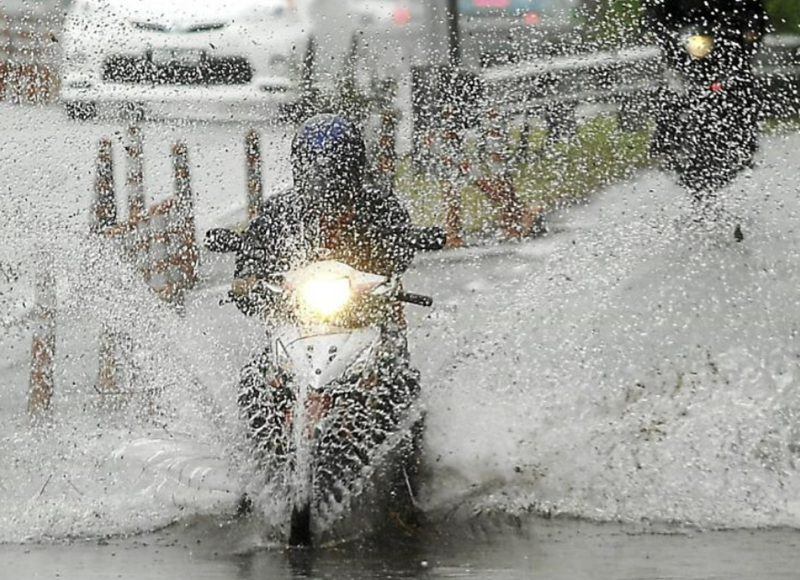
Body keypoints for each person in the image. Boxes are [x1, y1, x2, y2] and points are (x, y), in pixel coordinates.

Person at [231, 114, 420, 462]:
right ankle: (256, 466)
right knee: (256, 381)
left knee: (400, 380)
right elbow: (248, 266)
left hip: (367, 322)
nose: (325, 178)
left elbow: (401, 251)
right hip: (296, 324)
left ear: (353, 166)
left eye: (335, 167)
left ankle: (406, 478)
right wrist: (249, 285)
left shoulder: (381, 208)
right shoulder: (279, 213)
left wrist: (407, 248)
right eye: (316, 167)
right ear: (299, 166)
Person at [642, 0, 770, 157]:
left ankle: (747, 135)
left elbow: (753, 10)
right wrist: (654, 28)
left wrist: (751, 29)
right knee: (669, 86)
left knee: (743, 81)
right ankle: (663, 136)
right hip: (685, 38)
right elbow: (655, 9)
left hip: (728, 39)